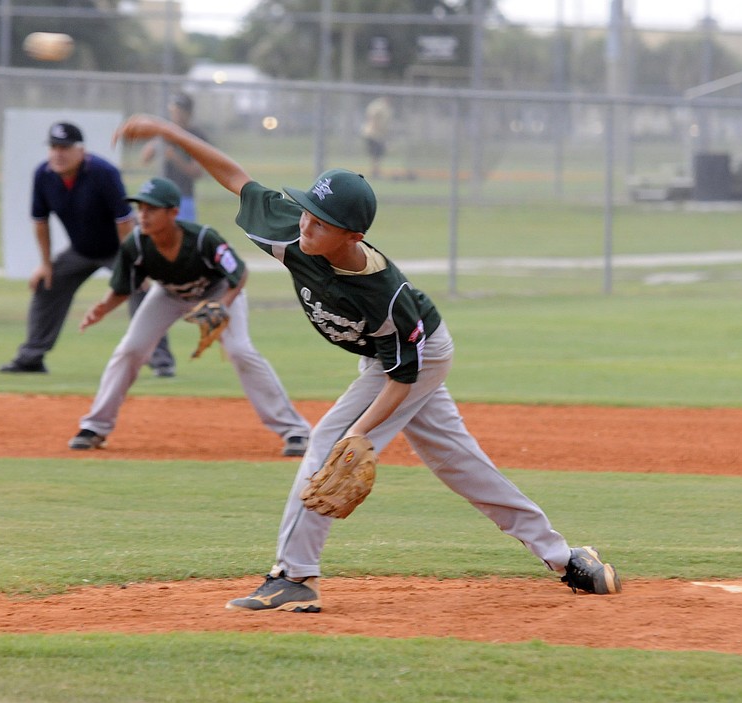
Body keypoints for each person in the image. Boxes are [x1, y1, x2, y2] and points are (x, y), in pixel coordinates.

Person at [112, 114, 622, 613]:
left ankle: (294, 577)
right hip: (385, 361)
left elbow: (403, 375)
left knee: (328, 441)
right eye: (307, 209)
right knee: (458, 463)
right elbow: (235, 178)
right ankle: (566, 559)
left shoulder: (384, 294)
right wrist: (168, 132)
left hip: (417, 359)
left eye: (322, 220)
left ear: (353, 236)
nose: (307, 223)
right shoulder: (296, 235)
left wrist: (359, 433)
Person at [68, 175, 311, 458]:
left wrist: (222, 304)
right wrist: (102, 308)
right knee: (130, 349)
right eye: (140, 208)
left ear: (173, 212)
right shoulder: (136, 244)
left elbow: (239, 273)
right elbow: (123, 288)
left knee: (240, 351)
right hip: (168, 295)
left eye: (151, 209)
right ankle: (95, 427)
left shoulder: (203, 239)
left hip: (218, 291)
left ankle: (296, 430)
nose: (143, 215)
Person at [0, 121, 175, 376]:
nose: (58, 153)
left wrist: (135, 263)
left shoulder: (103, 173)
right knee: (47, 284)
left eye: (65, 147)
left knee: (142, 288)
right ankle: (31, 358)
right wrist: (46, 264)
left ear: (81, 150)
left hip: (119, 247)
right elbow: (40, 221)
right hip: (81, 250)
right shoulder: (43, 175)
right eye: (54, 147)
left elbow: (124, 222)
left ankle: (161, 361)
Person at [140, 92, 208, 223]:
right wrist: (158, 138)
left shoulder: (196, 135)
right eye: (174, 110)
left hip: (184, 197)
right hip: (162, 198)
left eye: (180, 111)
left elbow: (197, 172)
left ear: (189, 113)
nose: (176, 114)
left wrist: (175, 157)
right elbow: (145, 158)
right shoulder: (167, 132)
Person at [360, 96, 393, 179]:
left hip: (379, 135)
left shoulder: (387, 108)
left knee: (378, 155)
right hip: (372, 134)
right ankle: (375, 173)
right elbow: (371, 116)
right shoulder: (378, 106)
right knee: (375, 154)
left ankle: (376, 172)